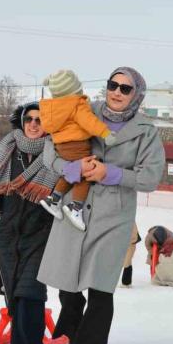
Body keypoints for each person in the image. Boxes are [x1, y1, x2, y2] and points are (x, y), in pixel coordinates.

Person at [38, 67, 165, 344]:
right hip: (73, 207)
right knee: (68, 285)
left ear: (137, 94)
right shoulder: (80, 108)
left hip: (114, 214)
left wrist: (111, 173)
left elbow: (150, 177)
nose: (117, 92)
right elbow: (49, 153)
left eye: (125, 88)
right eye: (113, 85)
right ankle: (75, 338)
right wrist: (73, 168)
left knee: (100, 287)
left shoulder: (146, 131)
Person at [0, 102, 59, 344]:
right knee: (12, 288)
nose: (34, 124)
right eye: (29, 120)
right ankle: (19, 341)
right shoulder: (7, 150)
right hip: (8, 231)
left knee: (31, 288)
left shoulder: (55, 153)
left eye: (39, 120)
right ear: (22, 122)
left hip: (41, 230)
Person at [37, 69, 116, 231]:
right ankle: (76, 207)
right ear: (74, 89)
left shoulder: (51, 108)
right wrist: (105, 132)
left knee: (72, 171)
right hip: (78, 145)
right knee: (86, 173)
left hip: (61, 147)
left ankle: (54, 199)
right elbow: (89, 121)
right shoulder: (76, 104)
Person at [120, 223, 141, 288]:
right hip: (128, 244)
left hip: (129, 244)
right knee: (128, 263)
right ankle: (127, 282)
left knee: (127, 264)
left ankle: (126, 283)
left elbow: (133, 236)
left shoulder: (130, 222)